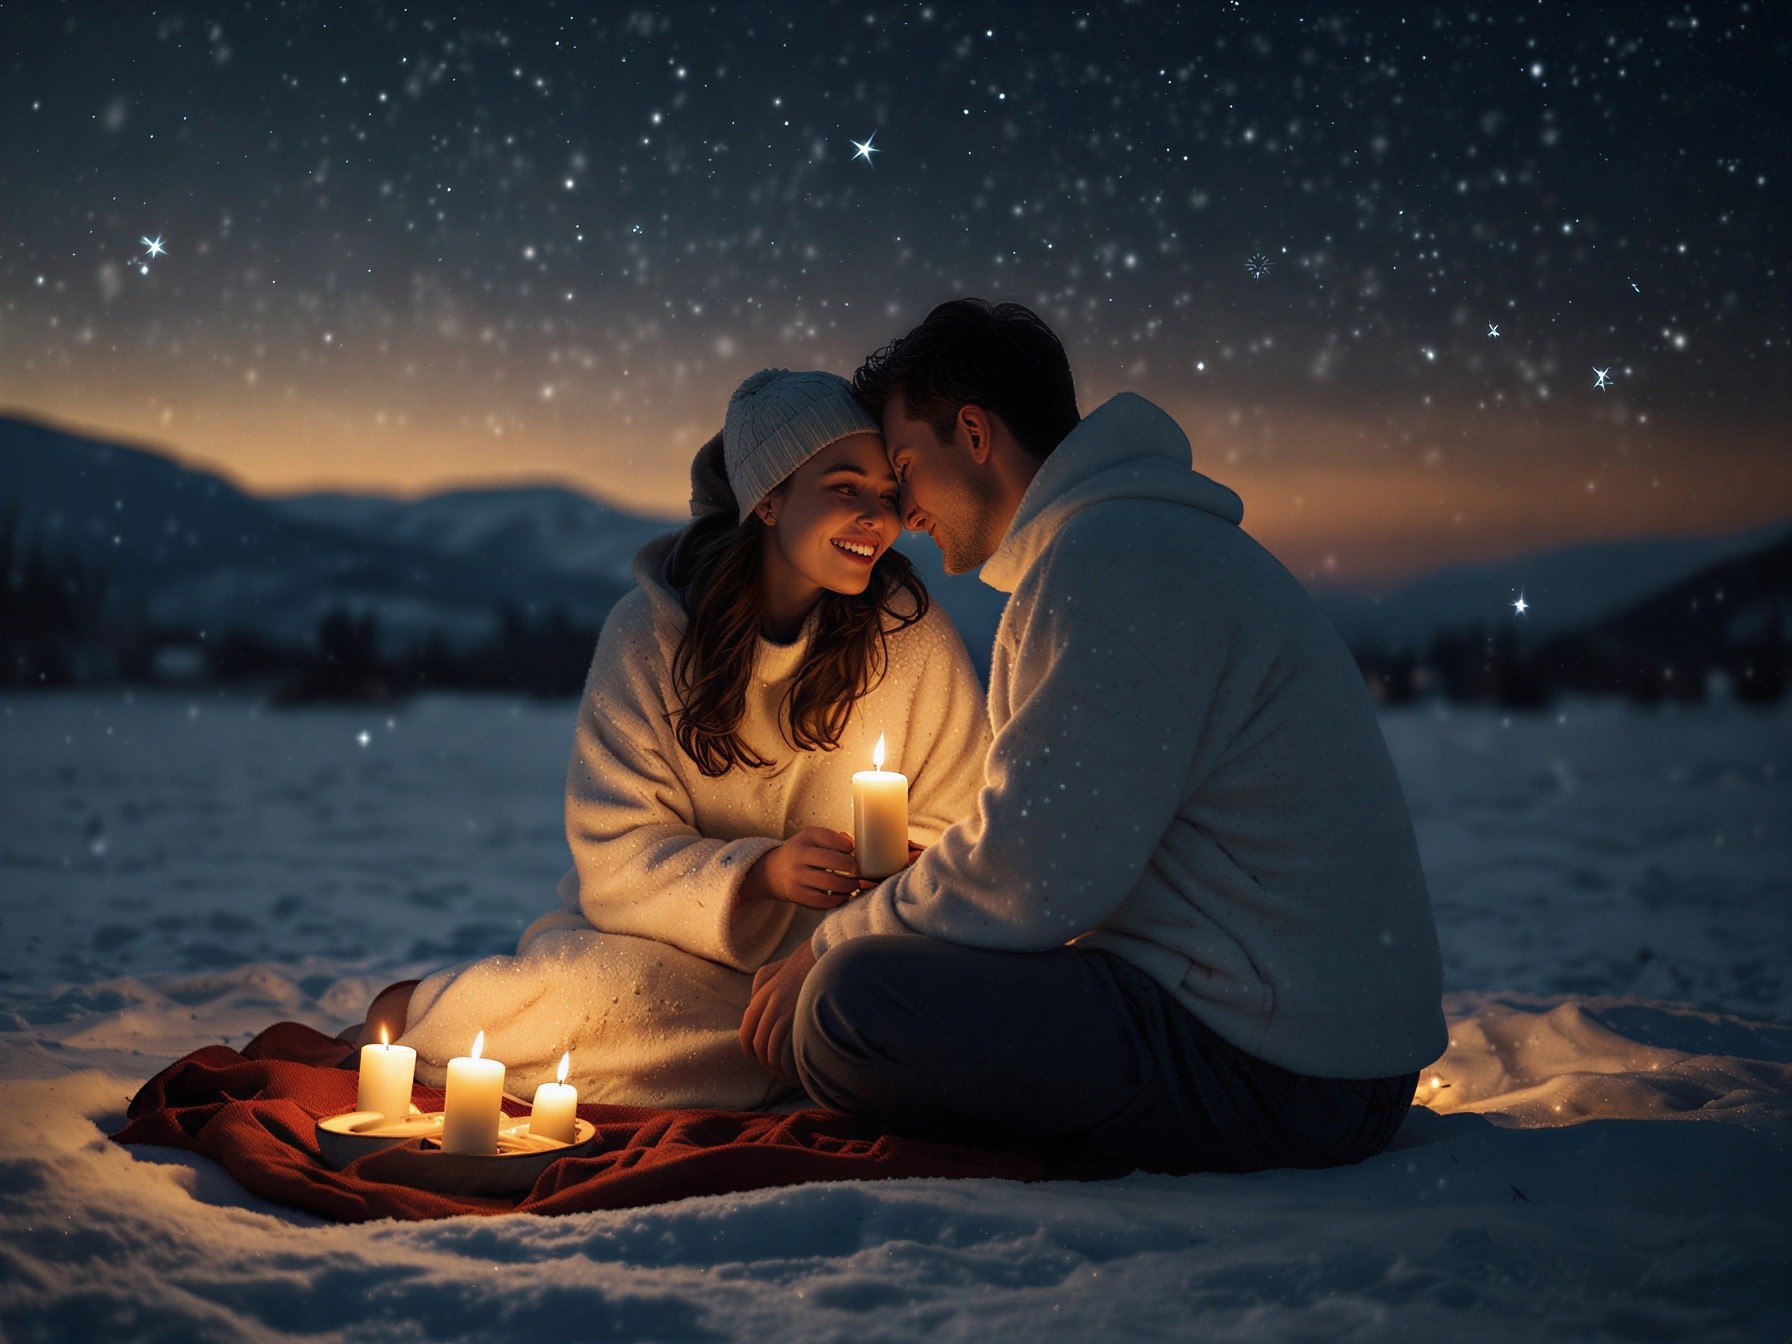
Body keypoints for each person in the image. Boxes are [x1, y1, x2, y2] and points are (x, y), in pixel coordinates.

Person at [741, 300, 1447, 1172]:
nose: (903, 510)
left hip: (1289, 1071)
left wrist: (831, 941)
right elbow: (1062, 841)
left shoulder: (1114, 561)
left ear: (973, 432)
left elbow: (1037, 872)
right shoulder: (1127, 546)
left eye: (907, 466)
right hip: (1298, 1037)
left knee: (851, 1005)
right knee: (873, 986)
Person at [356, 369, 990, 1109]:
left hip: (850, 957)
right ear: (769, 498)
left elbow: (961, 824)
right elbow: (615, 850)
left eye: (887, 496)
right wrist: (761, 876)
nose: (874, 519)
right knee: (604, 998)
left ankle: (791, 1046)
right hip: (671, 957)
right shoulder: (650, 636)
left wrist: (891, 878)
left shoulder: (911, 639)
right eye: (846, 488)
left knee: (855, 1017)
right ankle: (431, 1010)